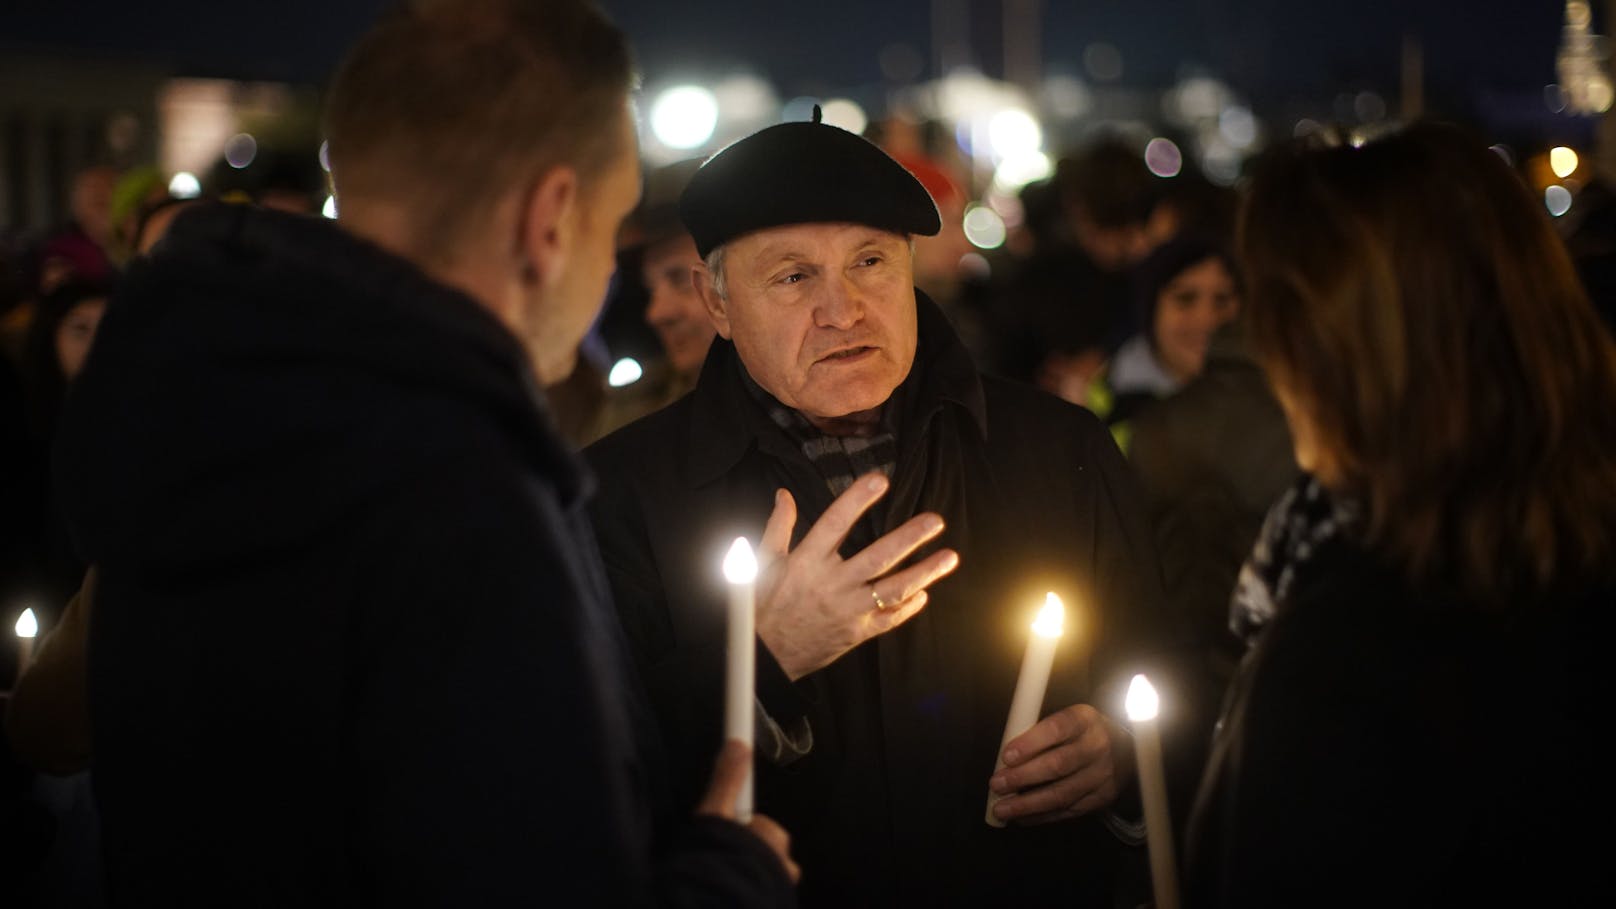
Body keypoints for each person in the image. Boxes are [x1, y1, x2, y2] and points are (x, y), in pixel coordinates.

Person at [52, 0, 795, 903]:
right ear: (552, 219)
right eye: (614, 222)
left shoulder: (199, 418)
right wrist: (727, 871)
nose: (607, 270)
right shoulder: (458, 500)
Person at [587, 111, 1190, 906]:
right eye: (794, 276)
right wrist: (765, 657)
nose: (843, 310)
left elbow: (1166, 677)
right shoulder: (617, 495)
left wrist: (1118, 757)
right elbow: (583, 778)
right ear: (718, 301)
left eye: (869, 261)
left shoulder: (1059, 449)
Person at [1184, 122, 1616, 906]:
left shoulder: (1350, 654)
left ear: (1345, 359)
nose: (1269, 363)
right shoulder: (1571, 535)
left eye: (1277, 326)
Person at [1080, 236, 1242, 451]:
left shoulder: (1271, 398)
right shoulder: (1104, 418)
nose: (1207, 319)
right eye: (1185, 298)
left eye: (1222, 299)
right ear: (1150, 311)